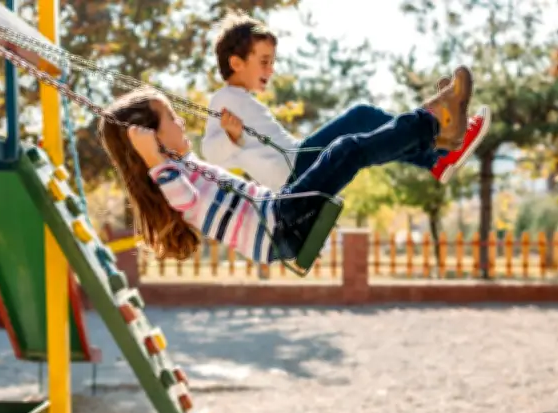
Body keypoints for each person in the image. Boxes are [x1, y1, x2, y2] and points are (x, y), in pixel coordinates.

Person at [98, 64, 475, 264]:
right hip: (279, 224)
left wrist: (235, 137)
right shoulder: (169, 180)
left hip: (279, 217)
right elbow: (184, 197)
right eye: (169, 117)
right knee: (347, 150)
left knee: (347, 147)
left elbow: (212, 186)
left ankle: (438, 137)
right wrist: (149, 157)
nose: (180, 122)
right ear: (152, 137)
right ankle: (432, 121)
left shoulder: (180, 168)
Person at [202, 11, 491, 190]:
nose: (271, 69)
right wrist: (229, 135)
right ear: (237, 63)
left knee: (366, 134)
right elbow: (211, 156)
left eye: (272, 61)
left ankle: (437, 158)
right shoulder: (225, 98)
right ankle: (438, 145)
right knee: (361, 117)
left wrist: (234, 137)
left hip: (294, 164)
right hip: (294, 169)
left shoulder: (240, 99)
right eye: (264, 61)